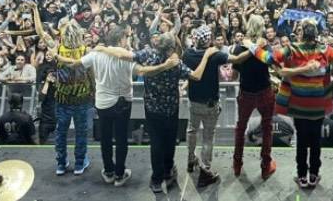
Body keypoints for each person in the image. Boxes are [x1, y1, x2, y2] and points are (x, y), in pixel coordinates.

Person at [245, 19, 333, 190]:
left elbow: (268, 58)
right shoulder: (326, 50)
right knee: (315, 142)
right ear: (316, 34)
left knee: (302, 142)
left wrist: (251, 46)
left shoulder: (291, 49)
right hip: (319, 105)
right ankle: (313, 176)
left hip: (298, 105)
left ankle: (302, 176)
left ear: (301, 34)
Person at [95, 31, 217, 194]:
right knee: (169, 143)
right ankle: (168, 173)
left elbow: (121, 54)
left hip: (152, 109)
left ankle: (156, 180)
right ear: (170, 49)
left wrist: (103, 49)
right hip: (170, 109)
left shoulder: (147, 54)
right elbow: (196, 76)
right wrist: (207, 56)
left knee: (156, 144)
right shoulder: (175, 63)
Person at [182, 24, 250, 187]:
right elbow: (238, 59)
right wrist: (254, 49)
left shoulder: (188, 54)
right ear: (208, 40)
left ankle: (191, 160)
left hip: (194, 101)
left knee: (191, 130)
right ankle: (205, 169)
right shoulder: (214, 55)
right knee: (207, 136)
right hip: (210, 103)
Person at [33, 5, 95, 176]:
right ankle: (79, 164)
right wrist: (94, 92)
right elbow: (92, 75)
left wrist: (35, 9)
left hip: (62, 99)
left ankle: (61, 164)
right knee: (81, 132)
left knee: (61, 132)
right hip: (82, 99)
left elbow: (40, 32)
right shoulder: (86, 51)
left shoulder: (57, 48)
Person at [231, 14, 277, 181]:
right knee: (266, 128)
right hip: (264, 91)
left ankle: (237, 164)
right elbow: (273, 63)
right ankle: (265, 166)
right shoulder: (265, 46)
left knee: (241, 127)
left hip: (246, 92)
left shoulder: (239, 47)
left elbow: (233, 76)